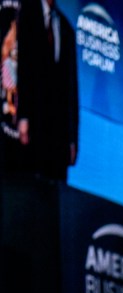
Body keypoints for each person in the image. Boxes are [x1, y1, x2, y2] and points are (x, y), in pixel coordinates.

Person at [13, 0, 78, 180]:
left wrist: (72, 139)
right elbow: (24, 68)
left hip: (59, 132)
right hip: (35, 119)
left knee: (56, 190)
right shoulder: (28, 12)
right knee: (31, 182)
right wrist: (23, 116)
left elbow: (71, 90)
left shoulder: (66, 29)